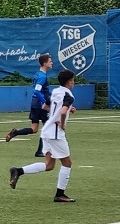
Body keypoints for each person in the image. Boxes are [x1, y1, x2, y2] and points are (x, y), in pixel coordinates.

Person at [8, 69, 77, 202]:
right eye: (73, 80)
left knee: (49, 165)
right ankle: (60, 194)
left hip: (46, 131)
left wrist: (68, 108)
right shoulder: (69, 96)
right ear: (69, 82)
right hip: (55, 134)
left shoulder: (55, 92)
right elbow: (62, 112)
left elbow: (45, 106)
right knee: (67, 162)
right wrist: (62, 124)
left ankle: (18, 171)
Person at [6, 53, 53, 158]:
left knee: (34, 128)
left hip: (34, 103)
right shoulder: (42, 76)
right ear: (44, 63)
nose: (52, 63)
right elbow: (37, 91)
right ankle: (40, 151)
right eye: (50, 61)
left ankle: (16, 132)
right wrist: (45, 102)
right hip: (40, 105)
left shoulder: (38, 74)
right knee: (47, 127)